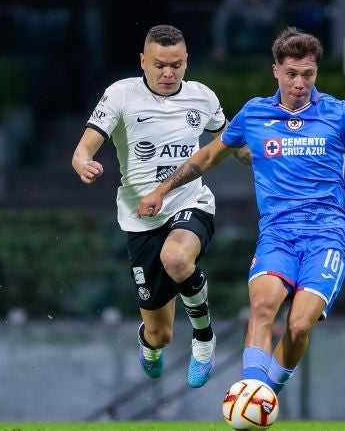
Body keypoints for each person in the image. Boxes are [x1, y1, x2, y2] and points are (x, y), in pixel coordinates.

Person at [138, 27, 345, 395]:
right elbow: (207, 157)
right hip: (277, 236)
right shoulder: (254, 115)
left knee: (299, 325)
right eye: (291, 74)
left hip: (327, 237)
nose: (299, 83)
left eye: (308, 74)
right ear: (276, 72)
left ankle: (268, 388)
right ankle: (253, 391)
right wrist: (161, 190)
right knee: (262, 308)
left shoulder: (338, 114)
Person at [72, 24, 250, 388]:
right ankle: (149, 343)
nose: (168, 73)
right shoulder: (121, 95)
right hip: (141, 219)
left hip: (191, 202)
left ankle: (204, 338)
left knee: (177, 258)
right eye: (159, 65)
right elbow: (83, 148)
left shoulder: (202, 97)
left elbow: (229, 141)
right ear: (143, 61)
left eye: (176, 65)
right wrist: (82, 162)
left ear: (186, 63)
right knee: (160, 335)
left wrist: (262, 153)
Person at [210, 0, 283, 61]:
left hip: (265, 49)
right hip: (237, 49)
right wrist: (220, 44)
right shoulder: (234, 0)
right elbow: (220, 23)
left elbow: (269, 19)